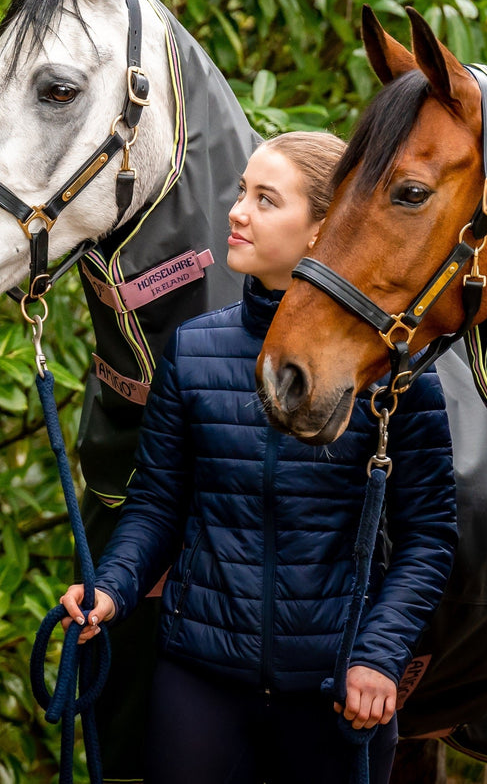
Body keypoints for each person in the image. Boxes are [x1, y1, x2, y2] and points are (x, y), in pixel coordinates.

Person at [58, 131, 457, 784]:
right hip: (200, 681)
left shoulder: (390, 368)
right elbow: (157, 505)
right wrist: (112, 589)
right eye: (242, 192)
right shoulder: (193, 350)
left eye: (266, 200)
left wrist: (379, 656)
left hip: (338, 687)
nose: (237, 211)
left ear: (323, 229)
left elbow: (429, 535)